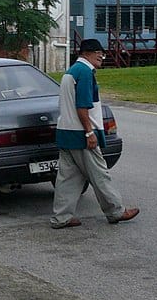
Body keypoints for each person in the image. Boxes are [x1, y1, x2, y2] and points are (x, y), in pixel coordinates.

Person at [50, 38, 140, 229]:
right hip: (81, 134)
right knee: (100, 173)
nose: (101, 56)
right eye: (98, 52)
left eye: (102, 53)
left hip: (66, 132)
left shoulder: (71, 71)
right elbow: (82, 106)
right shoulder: (85, 72)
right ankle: (115, 211)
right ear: (86, 53)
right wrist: (89, 133)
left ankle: (62, 217)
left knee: (68, 177)